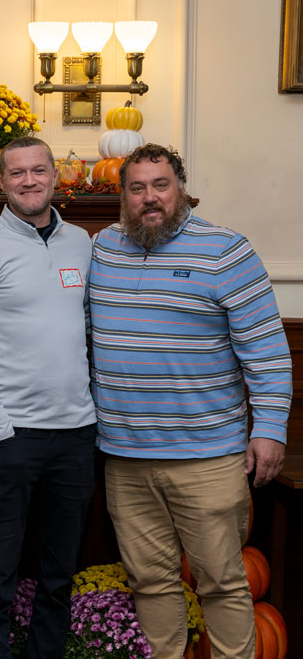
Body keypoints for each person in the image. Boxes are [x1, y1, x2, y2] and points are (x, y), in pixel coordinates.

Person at [89, 144, 292, 659]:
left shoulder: (226, 250)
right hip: (125, 457)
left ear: (181, 189)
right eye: (137, 188)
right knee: (150, 582)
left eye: (161, 185)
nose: (149, 198)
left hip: (207, 456)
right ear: (123, 195)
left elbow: (267, 352)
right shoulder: (102, 249)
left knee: (222, 583)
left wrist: (269, 430)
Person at [0, 136, 97, 658]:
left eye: (39, 171)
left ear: (56, 176)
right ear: (1, 181)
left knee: (59, 574)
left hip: (77, 435)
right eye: (17, 173)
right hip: (12, 437)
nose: (29, 181)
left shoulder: (83, 243)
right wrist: (1, 429)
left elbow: (88, 331)